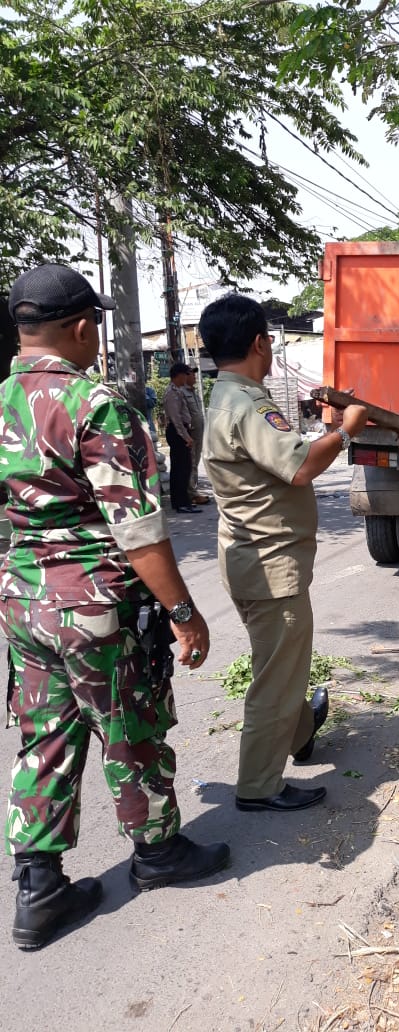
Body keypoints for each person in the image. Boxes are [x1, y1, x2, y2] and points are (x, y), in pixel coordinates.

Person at [0, 264, 229, 950]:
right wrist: (183, 613)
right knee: (129, 725)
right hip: (93, 603)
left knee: (45, 736)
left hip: (23, 600)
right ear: (80, 328)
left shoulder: (3, 399)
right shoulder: (94, 404)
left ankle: (38, 889)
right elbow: (138, 531)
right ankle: (158, 852)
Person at [199, 293, 368, 813]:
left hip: (249, 558)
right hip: (270, 566)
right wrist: (345, 431)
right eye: (270, 341)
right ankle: (259, 786)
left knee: (280, 664)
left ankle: (300, 732)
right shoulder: (249, 404)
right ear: (259, 343)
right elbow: (301, 467)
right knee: (275, 678)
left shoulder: (226, 397)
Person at [163, 361, 200, 514]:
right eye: (186, 374)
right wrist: (186, 437)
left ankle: (184, 501)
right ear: (179, 375)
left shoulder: (178, 390)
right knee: (180, 469)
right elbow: (176, 419)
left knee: (184, 468)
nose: (187, 377)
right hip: (177, 432)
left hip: (181, 431)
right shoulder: (172, 392)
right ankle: (180, 503)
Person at [182, 365, 210, 506]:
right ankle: (192, 494)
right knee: (191, 463)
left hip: (199, 432)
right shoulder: (181, 392)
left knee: (196, 462)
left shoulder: (193, 391)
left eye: (194, 374)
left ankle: (194, 490)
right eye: (191, 374)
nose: (194, 376)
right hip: (191, 433)